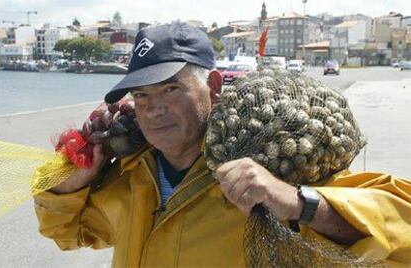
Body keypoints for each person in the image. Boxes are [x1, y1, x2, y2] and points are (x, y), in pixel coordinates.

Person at [34, 21, 411, 267]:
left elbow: (399, 234)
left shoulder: (270, 165)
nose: (154, 109)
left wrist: (297, 203)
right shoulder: (133, 176)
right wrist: (72, 184)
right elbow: (69, 234)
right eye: (142, 95)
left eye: (171, 88)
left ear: (213, 87)